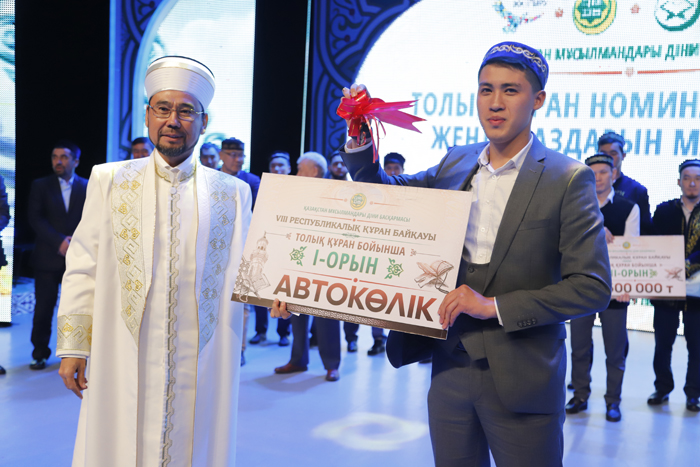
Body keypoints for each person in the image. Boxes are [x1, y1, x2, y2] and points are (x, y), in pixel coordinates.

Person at [274, 42, 612, 466]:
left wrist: (493, 306)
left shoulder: (568, 177)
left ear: (538, 99)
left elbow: (592, 287)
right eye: (486, 89)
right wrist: (359, 134)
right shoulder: (457, 161)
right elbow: (388, 195)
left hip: (524, 374)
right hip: (449, 367)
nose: (495, 102)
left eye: (510, 90)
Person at [56, 56, 251, 467]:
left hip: (202, 356)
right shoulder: (110, 179)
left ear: (204, 121)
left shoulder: (232, 193)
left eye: (186, 111)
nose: (173, 120)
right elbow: (84, 264)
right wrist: (74, 345)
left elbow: (248, 272)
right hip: (121, 347)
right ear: (147, 116)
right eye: (163, 108)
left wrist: (280, 298)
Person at [566, 153, 639, 422]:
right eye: (592, 172)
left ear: (614, 175)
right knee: (579, 348)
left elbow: (631, 250)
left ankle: (613, 401)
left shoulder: (628, 208)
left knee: (615, 351)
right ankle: (580, 395)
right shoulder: (575, 205)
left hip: (615, 288)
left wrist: (628, 284)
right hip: (580, 287)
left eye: (603, 172)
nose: (598, 177)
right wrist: (597, 229)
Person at [274, 151, 342, 382]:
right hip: (297, 262)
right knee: (296, 315)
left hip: (326, 265)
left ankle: (332, 365)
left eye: (300, 169)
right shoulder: (294, 194)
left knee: (327, 318)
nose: (296, 173)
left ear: (314, 171)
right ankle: (298, 360)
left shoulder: (335, 195)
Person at [28, 140, 88, 370]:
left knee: (77, 309)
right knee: (43, 308)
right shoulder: (40, 185)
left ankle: (74, 354)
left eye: (64, 157)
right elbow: (35, 218)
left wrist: (75, 242)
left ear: (76, 161)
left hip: (79, 257)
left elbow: (91, 219)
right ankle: (39, 353)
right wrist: (60, 241)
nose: (58, 161)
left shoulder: (88, 186)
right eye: (55, 157)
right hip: (48, 257)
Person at [648, 159, 700, 413]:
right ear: (679, 181)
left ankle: (693, 393)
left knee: (697, 346)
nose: (692, 183)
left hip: (697, 293)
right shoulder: (664, 210)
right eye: (687, 178)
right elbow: (652, 242)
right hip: (666, 289)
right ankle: (662, 388)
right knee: (663, 344)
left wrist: (687, 264)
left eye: (698, 178)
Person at [597, 131, 652, 235]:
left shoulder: (636, 190)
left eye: (613, 154)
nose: (608, 158)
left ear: (623, 155)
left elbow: (645, 230)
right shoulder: (586, 188)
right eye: (603, 154)